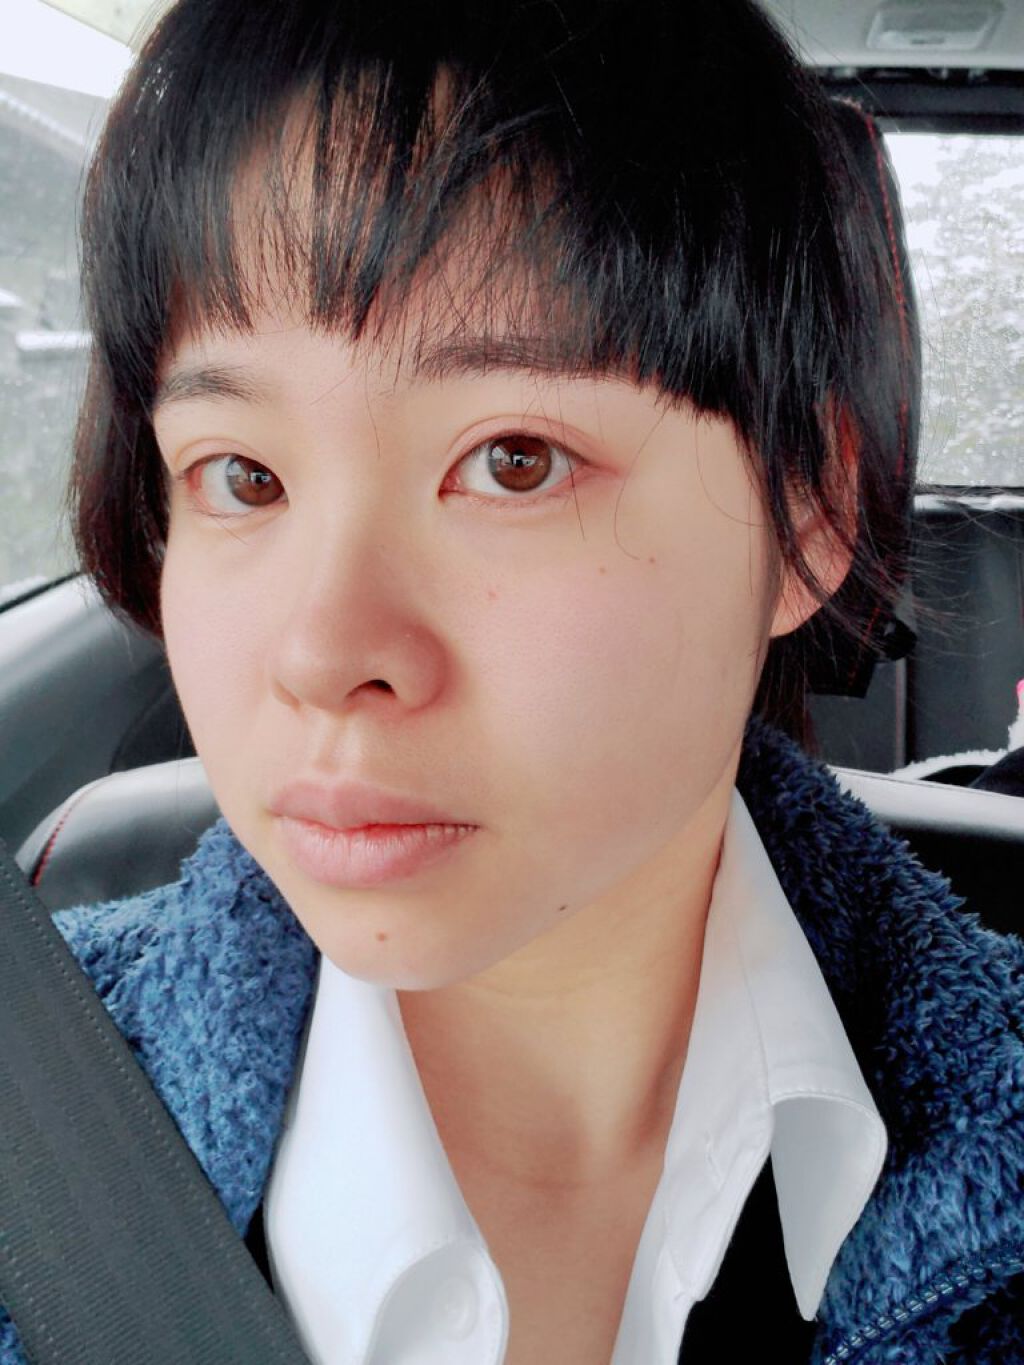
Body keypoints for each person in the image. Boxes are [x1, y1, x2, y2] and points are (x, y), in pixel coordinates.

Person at [3, 0, 1023, 1360]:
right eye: (242, 475)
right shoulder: (39, 1116)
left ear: (807, 513)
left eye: (514, 461)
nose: (324, 653)